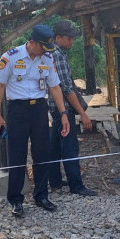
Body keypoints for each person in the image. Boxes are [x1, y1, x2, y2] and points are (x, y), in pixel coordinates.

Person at [0, 24, 70, 217]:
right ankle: (16, 199)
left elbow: (55, 88)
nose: (45, 51)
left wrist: (63, 113)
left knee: (41, 153)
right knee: (17, 154)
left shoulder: (48, 58)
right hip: (17, 109)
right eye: (42, 46)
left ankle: (41, 196)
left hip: (39, 109)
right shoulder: (10, 57)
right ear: (32, 42)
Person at [46, 20, 97, 196]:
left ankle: (55, 181)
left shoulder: (56, 53)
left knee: (54, 147)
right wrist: (83, 114)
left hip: (55, 108)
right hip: (63, 109)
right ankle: (76, 185)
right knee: (70, 147)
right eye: (69, 38)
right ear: (58, 38)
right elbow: (66, 88)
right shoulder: (57, 56)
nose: (71, 42)